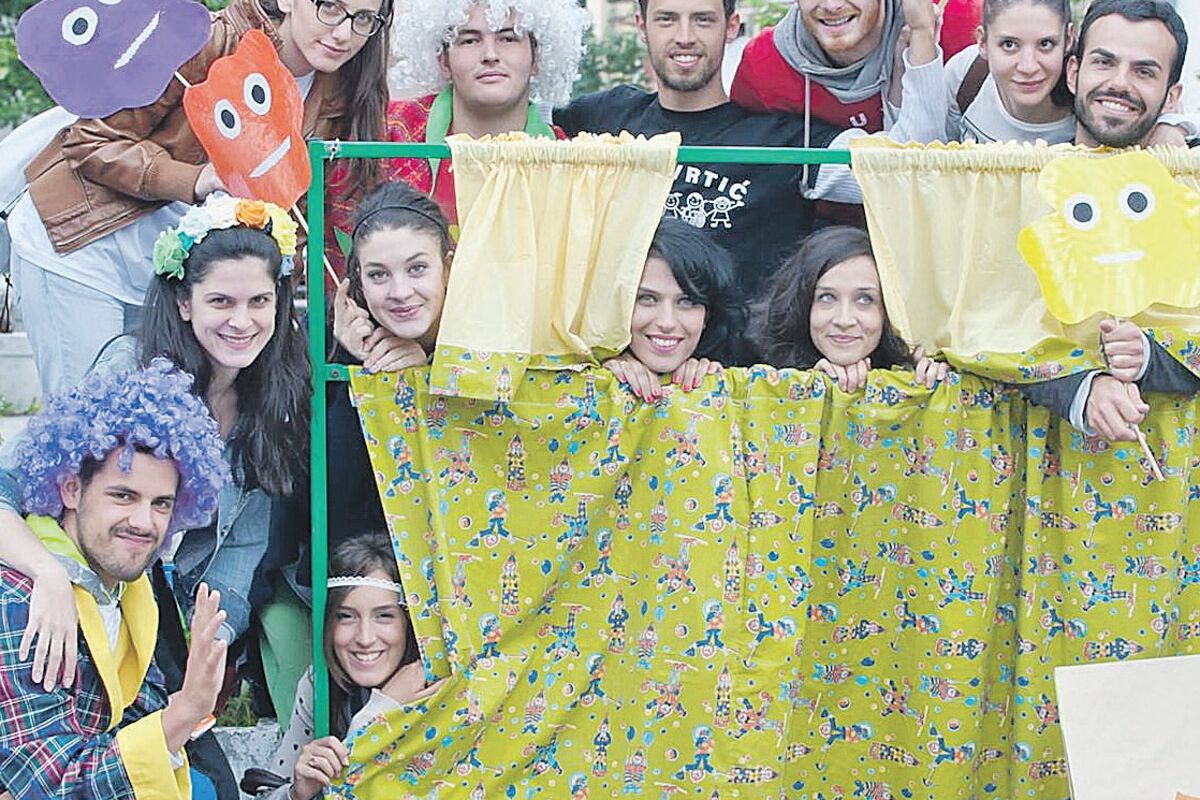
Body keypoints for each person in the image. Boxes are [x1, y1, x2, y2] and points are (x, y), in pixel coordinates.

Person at [0, 196, 310, 795]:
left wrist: (208, 646)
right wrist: (48, 574)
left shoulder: (275, 393)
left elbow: (242, 546)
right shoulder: (132, 365)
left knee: (207, 782)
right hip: (85, 574)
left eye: (258, 301)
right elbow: (15, 480)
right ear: (184, 301)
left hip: (157, 600)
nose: (241, 320)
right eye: (221, 301)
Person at [10, 0, 393, 395]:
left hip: (176, 281)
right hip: (84, 250)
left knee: (169, 419)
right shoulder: (205, 39)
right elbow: (90, 141)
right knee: (93, 414)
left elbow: (293, 217)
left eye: (364, 18)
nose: (343, 32)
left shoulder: (341, 95)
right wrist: (195, 179)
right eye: (329, 6)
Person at [0, 359, 230, 798]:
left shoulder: (128, 591)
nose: (143, 522)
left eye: (161, 504)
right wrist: (184, 711)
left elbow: (135, 720)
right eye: (123, 496)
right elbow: (50, 785)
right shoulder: (18, 599)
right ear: (71, 489)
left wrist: (183, 708)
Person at [554, 0, 843, 297]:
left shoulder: (787, 138)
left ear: (731, 27)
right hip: (624, 327)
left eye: (703, 20)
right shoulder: (602, 117)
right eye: (667, 19)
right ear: (641, 26)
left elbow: (873, 169)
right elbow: (524, 121)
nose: (685, 37)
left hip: (745, 327)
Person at [1015, 0, 1199, 441]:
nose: (1119, 83)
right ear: (1073, 72)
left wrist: (1152, 358)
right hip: (1042, 460)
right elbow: (983, 326)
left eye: (1144, 71)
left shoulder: (1191, 195)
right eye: (1104, 62)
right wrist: (1080, 387)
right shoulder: (1015, 189)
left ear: (1171, 96)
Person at [361, 0, 588, 230]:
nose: (490, 55)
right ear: (443, 61)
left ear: (536, 58)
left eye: (508, 38)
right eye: (470, 40)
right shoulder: (383, 131)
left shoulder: (572, 167)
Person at [249, 533, 440, 800]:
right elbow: (269, 791)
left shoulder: (439, 686)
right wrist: (297, 793)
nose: (365, 638)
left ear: (408, 623)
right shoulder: (322, 684)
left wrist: (378, 717)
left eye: (384, 616)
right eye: (346, 616)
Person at [329, 180, 453, 545]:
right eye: (378, 274)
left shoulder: (484, 338)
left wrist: (428, 371)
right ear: (358, 282)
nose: (400, 292)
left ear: (447, 268)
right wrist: (357, 367)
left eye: (417, 269)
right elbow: (327, 496)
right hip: (356, 558)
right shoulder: (326, 344)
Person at [944, 0, 1196, 145]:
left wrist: (1174, 127)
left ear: (1068, 40)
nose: (1028, 66)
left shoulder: (1091, 105)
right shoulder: (968, 75)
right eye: (1009, 44)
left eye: (1046, 44)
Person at [752, 225, 948, 392]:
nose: (844, 320)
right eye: (826, 298)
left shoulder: (915, 370)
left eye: (864, 300)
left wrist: (931, 380)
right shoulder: (758, 380)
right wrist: (808, 392)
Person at [605, 217, 751, 401]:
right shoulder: (579, 373)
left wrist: (712, 385)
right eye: (647, 299)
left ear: (708, 315)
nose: (667, 323)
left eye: (687, 301)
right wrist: (600, 375)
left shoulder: (737, 383)